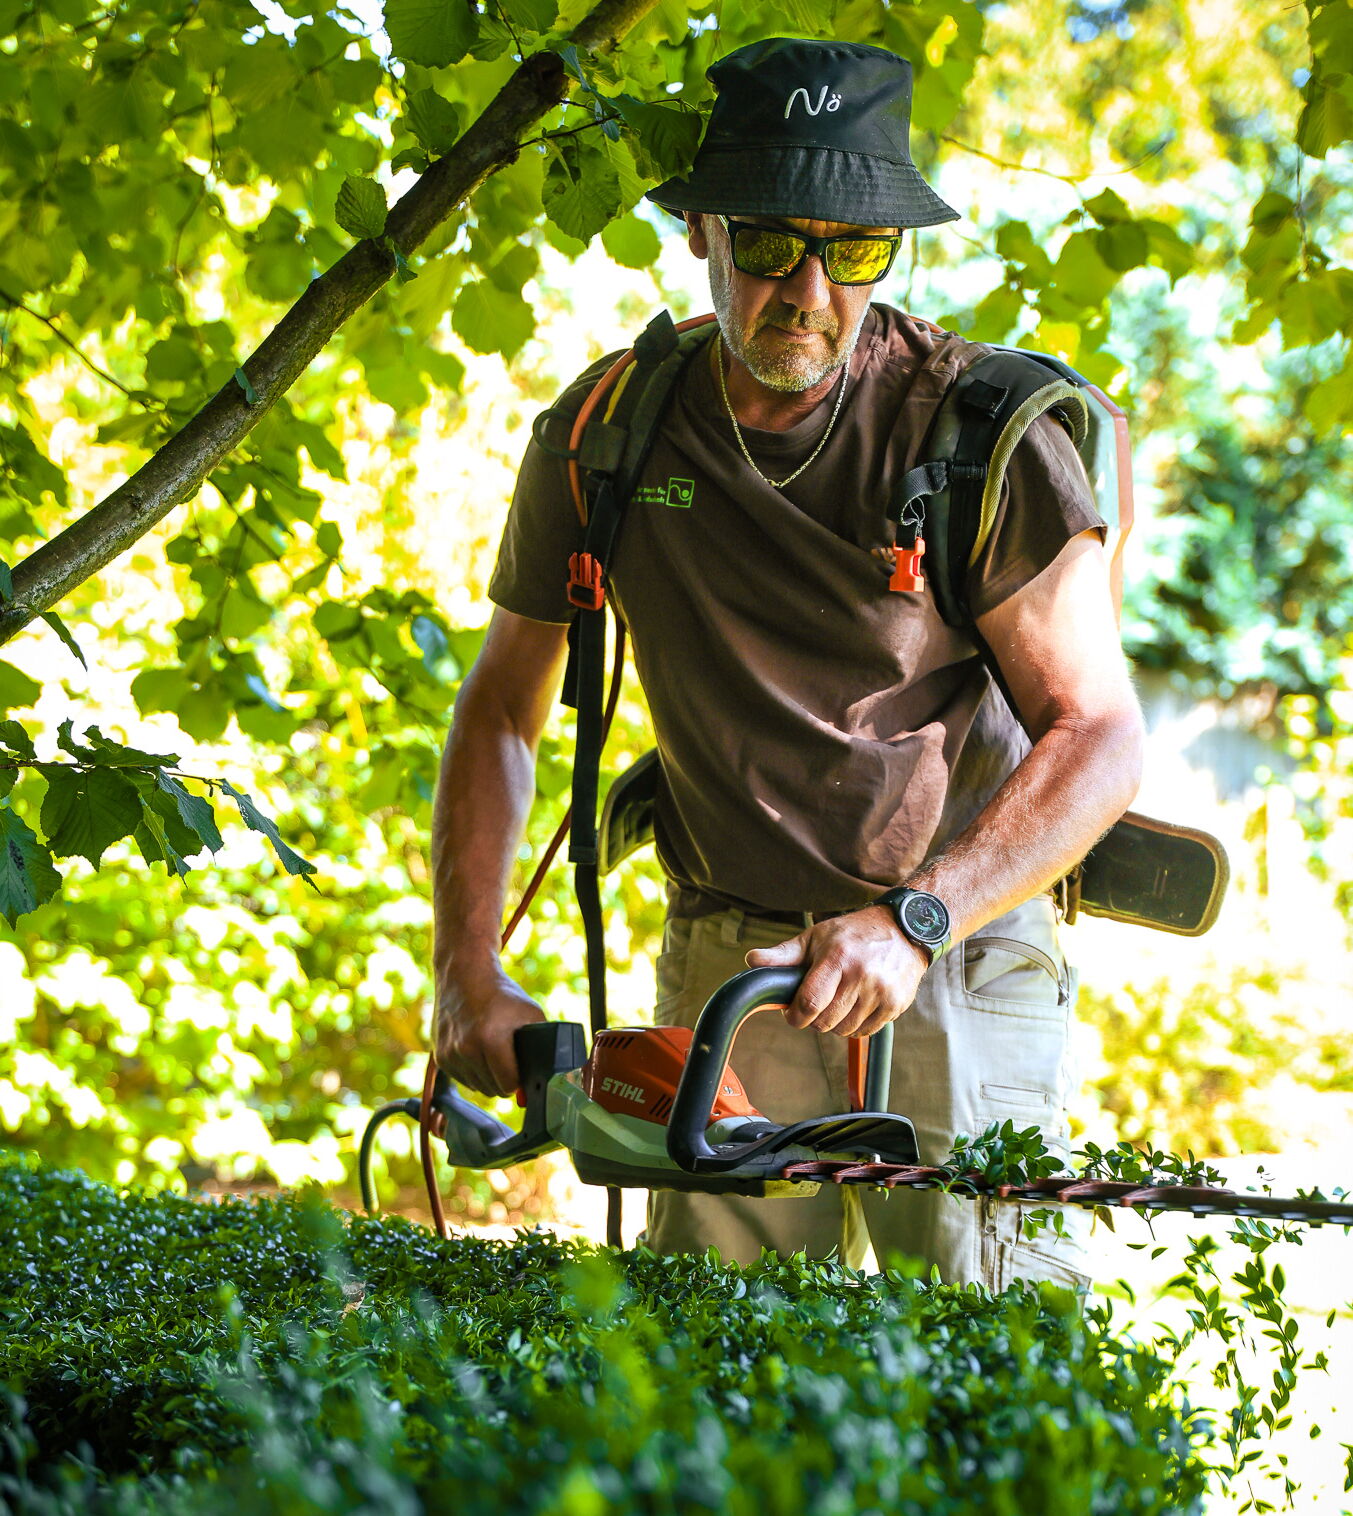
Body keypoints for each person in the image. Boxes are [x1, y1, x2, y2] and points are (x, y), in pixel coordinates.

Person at [430, 37, 1144, 1289]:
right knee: (722, 1388)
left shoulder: (979, 438)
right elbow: (501, 710)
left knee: (988, 1382)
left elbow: (1100, 735)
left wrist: (915, 923)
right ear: (703, 231)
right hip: (723, 965)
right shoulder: (604, 435)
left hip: (955, 964)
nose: (808, 287)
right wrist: (465, 967)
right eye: (769, 242)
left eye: (853, 250)